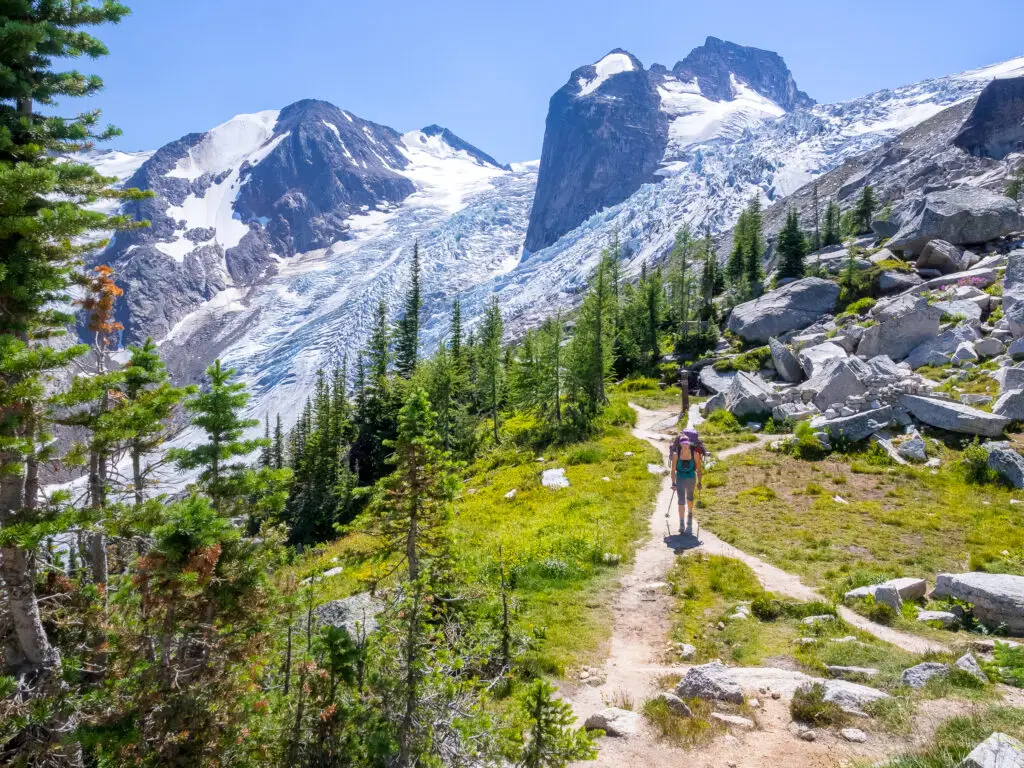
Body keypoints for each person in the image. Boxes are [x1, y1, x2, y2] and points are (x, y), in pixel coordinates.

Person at [669, 427, 704, 536]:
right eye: (683, 443)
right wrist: (673, 483)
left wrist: (699, 482)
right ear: (680, 444)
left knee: (690, 498)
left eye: (687, 443)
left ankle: (690, 514)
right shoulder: (676, 455)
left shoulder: (695, 454)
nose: (685, 445)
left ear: (689, 444)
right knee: (681, 500)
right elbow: (673, 470)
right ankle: (682, 523)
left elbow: (698, 469)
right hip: (680, 477)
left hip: (691, 477)